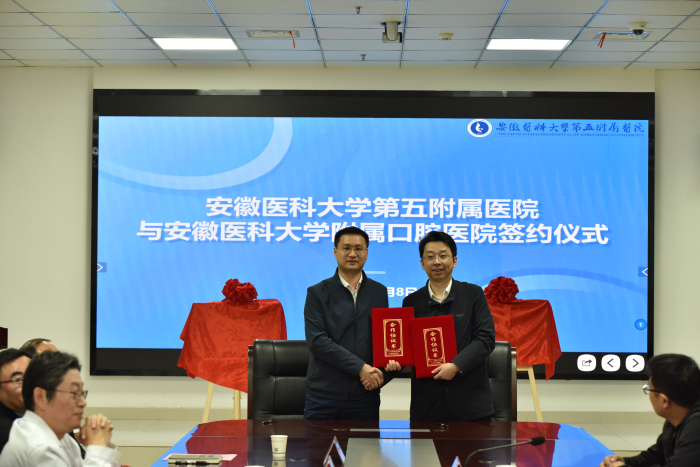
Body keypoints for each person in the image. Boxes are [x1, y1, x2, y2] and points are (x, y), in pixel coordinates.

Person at [304, 226, 398, 420]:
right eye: (346, 248)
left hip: (365, 396)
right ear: (335, 251)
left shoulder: (379, 292)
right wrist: (360, 368)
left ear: (367, 253)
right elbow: (318, 341)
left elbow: (382, 339)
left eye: (359, 249)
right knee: (319, 442)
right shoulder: (317, 293)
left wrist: (382, 375)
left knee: (366, 442)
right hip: (323, 397)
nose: (353, 254)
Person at [402, 231, 496, 422]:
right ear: (422, 264)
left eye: (443, 256)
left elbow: (486, 338)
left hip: (470, 404)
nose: (437, 262)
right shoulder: (411, 302)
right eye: (430, 257)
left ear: (454, 261)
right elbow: (408, 347)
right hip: (427, 405)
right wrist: (395, 359)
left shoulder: (473, 294)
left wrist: (456, 365)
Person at [0, 351, 122, 466]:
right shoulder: (39, 447)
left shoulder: (63, 438)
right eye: (74, 393)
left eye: (81, 393)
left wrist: (100, 444)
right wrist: (97, 446)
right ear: (41, 397)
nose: (83, 403)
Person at [600, 353, 700, 467]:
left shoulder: (696, 429)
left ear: (664, 401)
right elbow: (656, 455)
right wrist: (625, 462)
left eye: (649, 389)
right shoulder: (676, 420)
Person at [0, 349, 31, 452]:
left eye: (32, 376)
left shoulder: (52, 413)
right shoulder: (7, 435)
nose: (30, 384)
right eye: (18, 380)